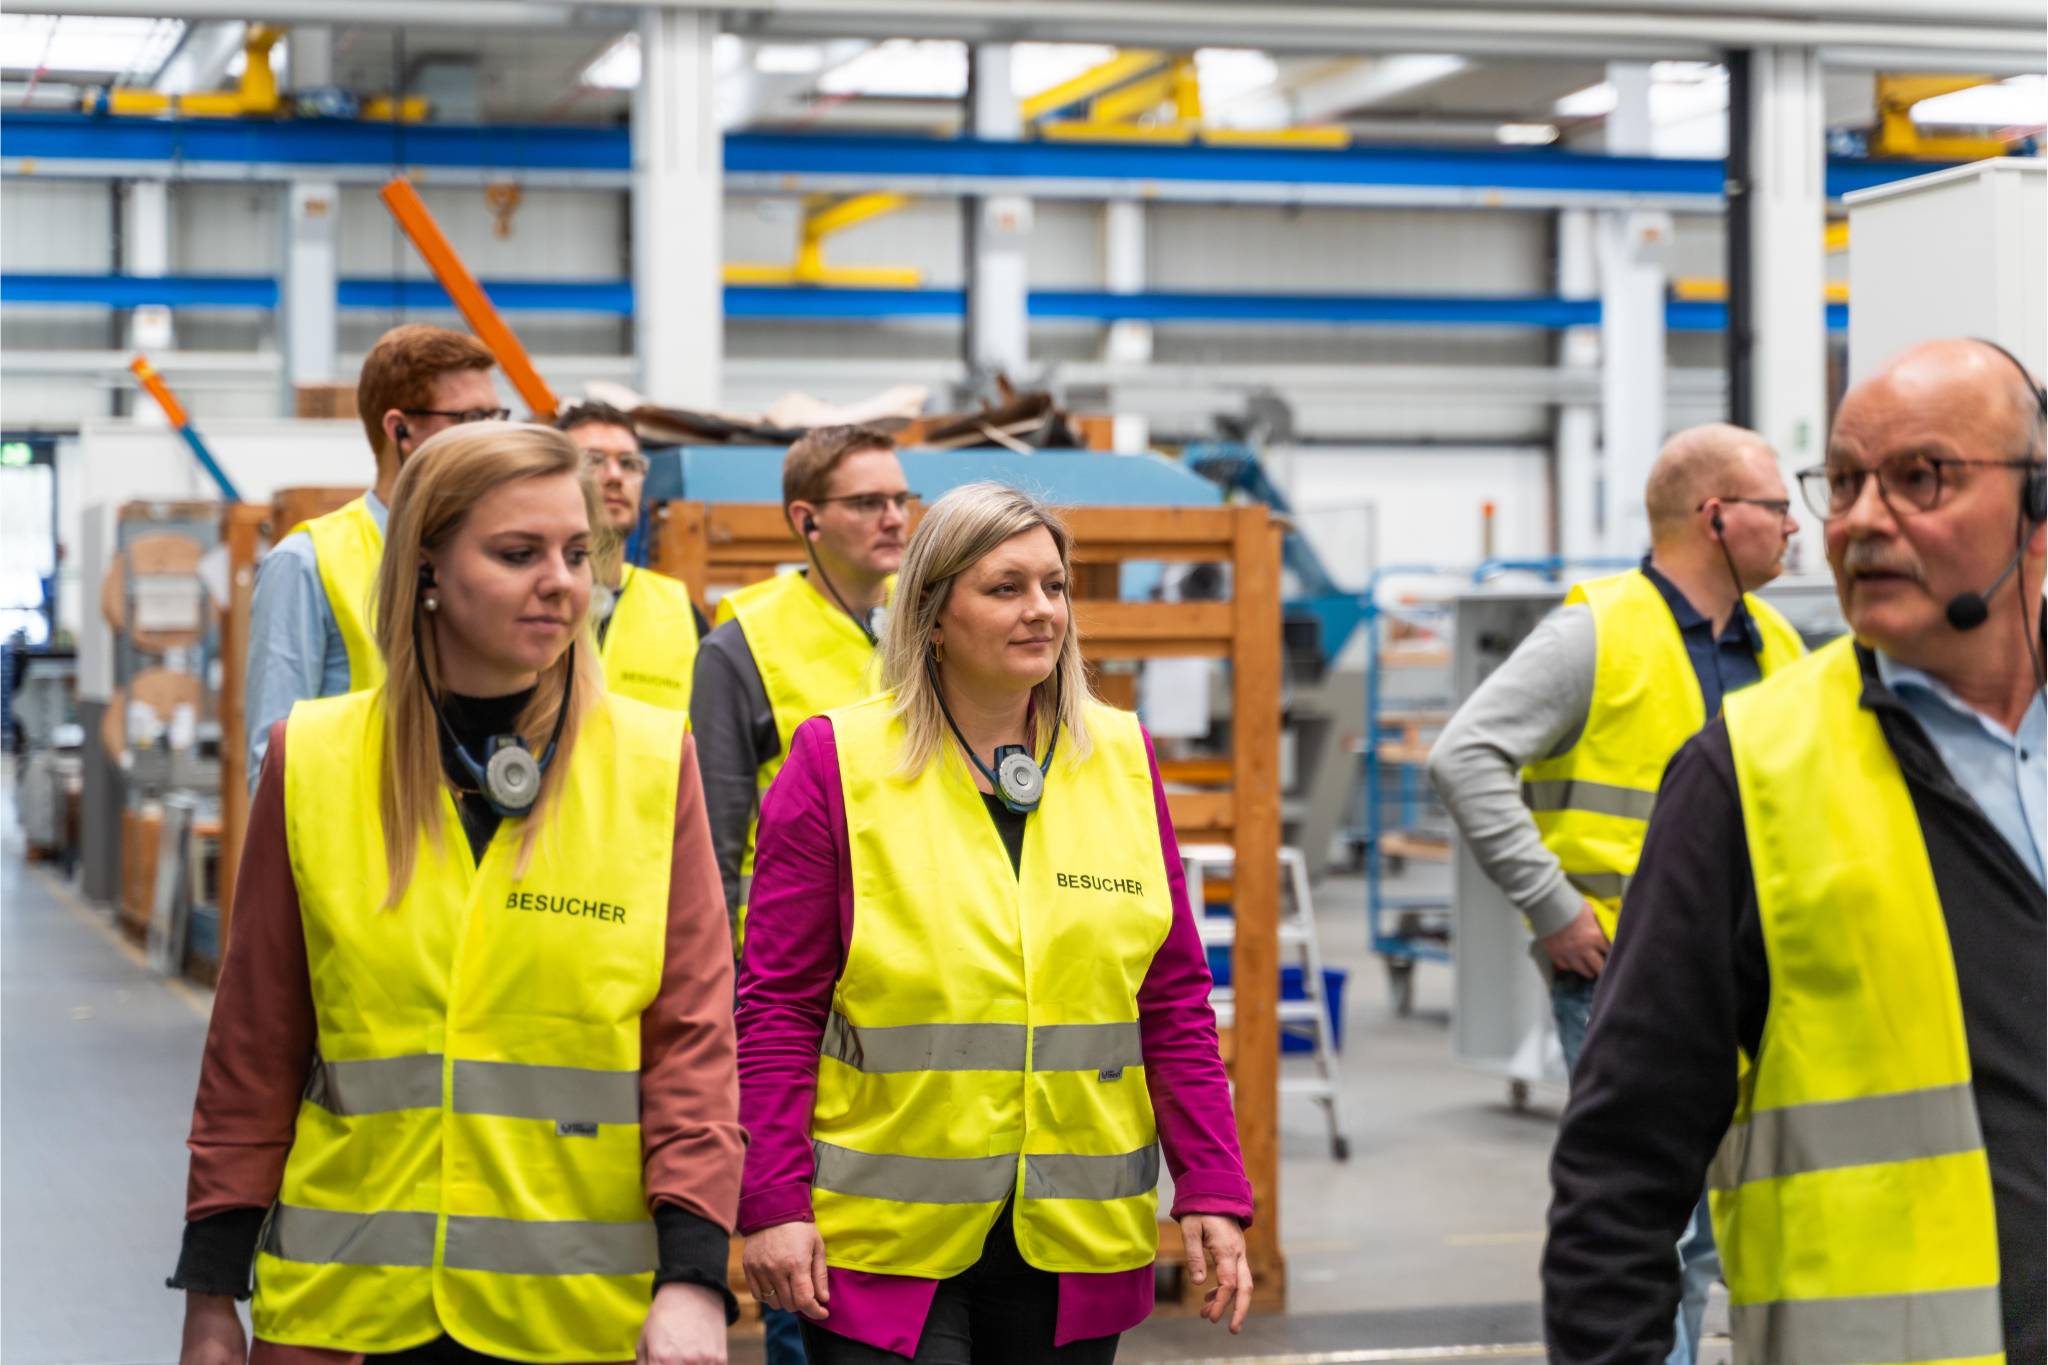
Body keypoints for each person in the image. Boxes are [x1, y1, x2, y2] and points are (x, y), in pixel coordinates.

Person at [171, 423, 743, 1365]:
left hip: (570, 1311)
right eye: (518, 554)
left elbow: (690, 1039)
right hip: (342, 1306)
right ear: (427, 565)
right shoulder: (315, 759)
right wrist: (209, 1295)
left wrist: (692, 1278)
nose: (559, 580)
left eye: (574, 552)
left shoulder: (647, 760)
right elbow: (254, 1043)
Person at [1542, 338, 2046, 1364]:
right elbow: (1618, 1171)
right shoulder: (1745, 774)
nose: (1859, 520)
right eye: (1844, 483)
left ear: (2033, 513)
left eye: (1918, 478)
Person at [734, 482, 1255, 1364]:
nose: (1041, 611)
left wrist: (1212, 1183)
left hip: (1073, 1234)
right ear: (933, 614)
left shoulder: (1120, 757)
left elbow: (1171, 997)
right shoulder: (838, 763)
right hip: (886, 1238)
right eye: (1005, 588)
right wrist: (774, 1202)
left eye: (1054, 586)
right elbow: (777, 1009)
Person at [1429, 422, 1805, 1364]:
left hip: (1762, 992)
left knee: (1728, 1228)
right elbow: (1464, 755)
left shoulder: (1786, 647)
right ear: (1715, 517)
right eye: (1778, 506)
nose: (1796, 527)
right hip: (1624, 980)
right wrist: (1553, 906)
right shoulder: (1596, 631)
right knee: (1648, 1231)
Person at [243, 324, 505, 787]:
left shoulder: (495, 561)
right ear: (399, 429)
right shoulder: (307, 563)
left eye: (496, 417)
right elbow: (273, 768)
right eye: (470, 419)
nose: (491, 439)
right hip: (363, 850)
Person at [690, 424, 912, 953]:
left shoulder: (936, 619)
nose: (894, 518)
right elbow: (713, 849)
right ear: (805, 519)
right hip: (793, 959)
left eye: (901, 500)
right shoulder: (740, 647)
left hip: (919, 949)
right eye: (867, 503)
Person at [554, 399, 709, 711]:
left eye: (628, 463)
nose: (615, 476)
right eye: (593, 461)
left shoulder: (681, 611)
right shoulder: (530, 599)